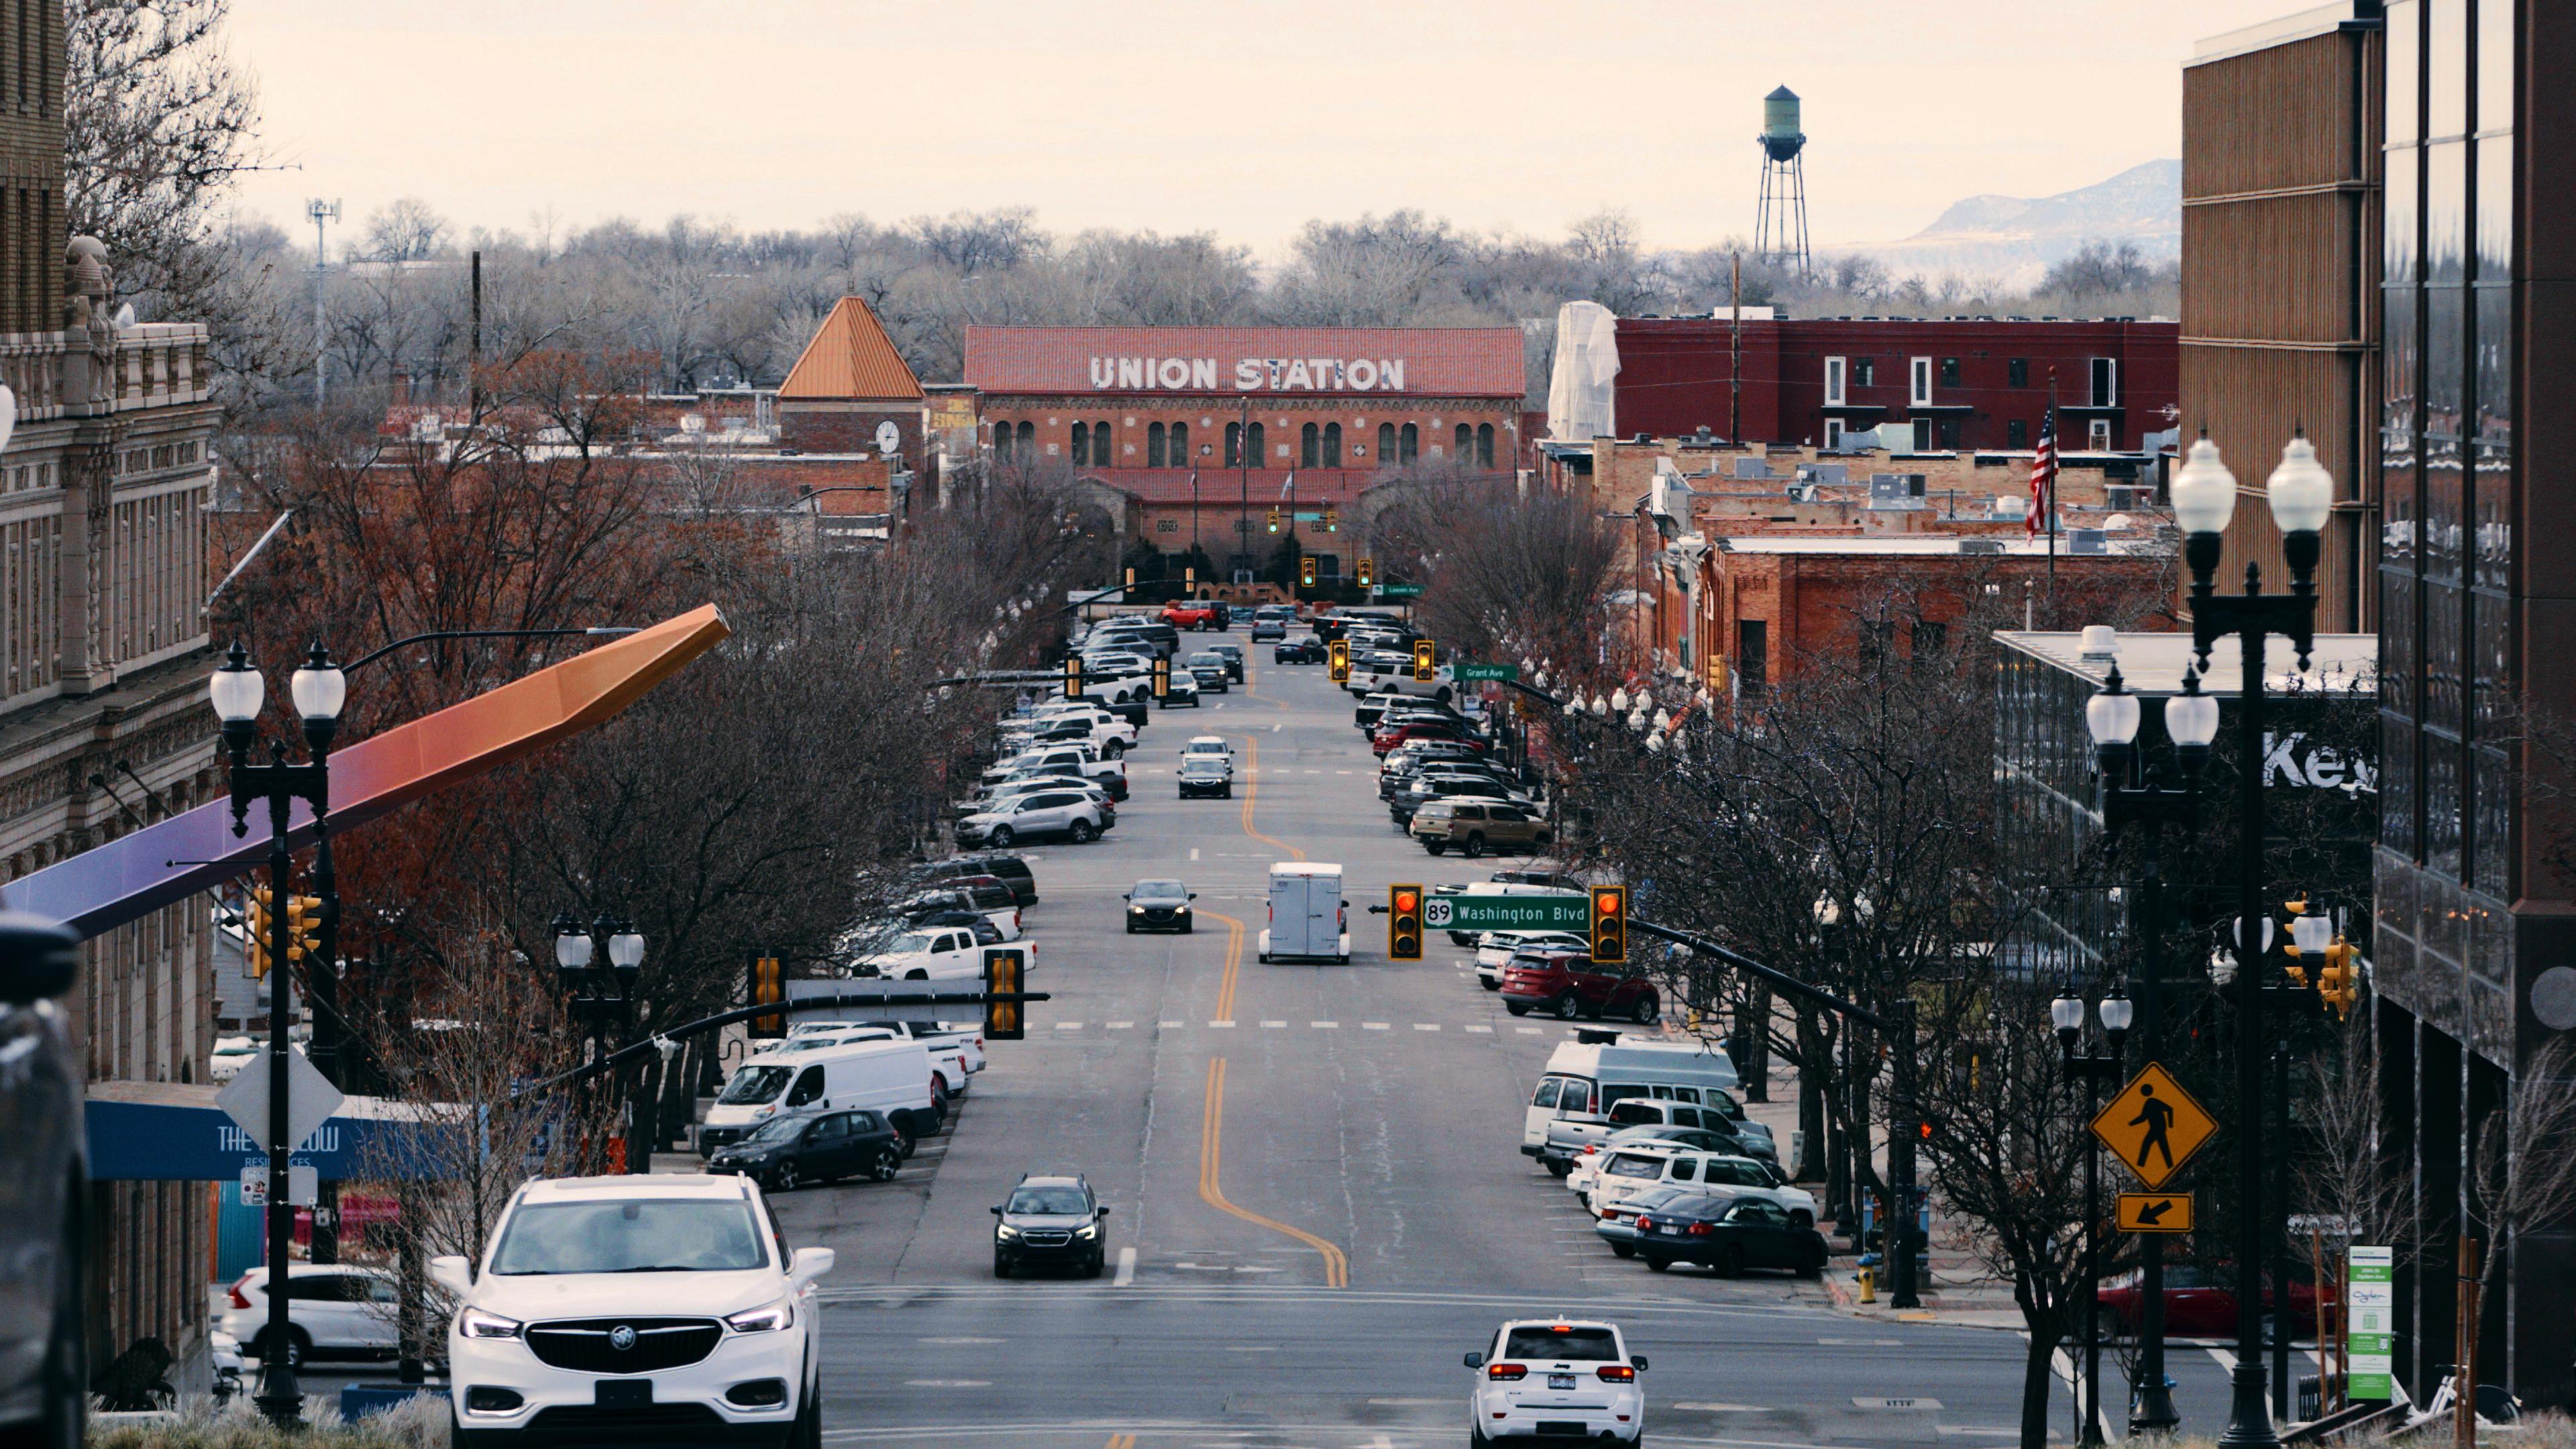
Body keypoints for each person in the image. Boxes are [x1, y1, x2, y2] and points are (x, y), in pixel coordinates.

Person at [2130, 1082, 2177, 1173]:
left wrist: (2171, 1125)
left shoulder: (2152, 1102)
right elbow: (2143, 1118)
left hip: (2158, 1128)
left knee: (2148, 1144)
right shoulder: (2150, 1102)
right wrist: (2131, 1124)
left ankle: (2141, 1165)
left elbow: (2170, 1109)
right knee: (2163, 1147)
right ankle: (2170, 1166)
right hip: (2158, 1128)